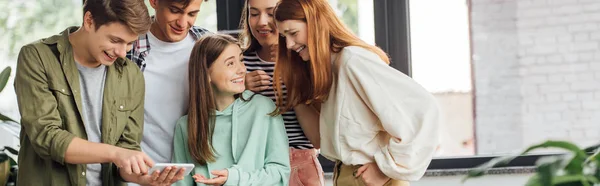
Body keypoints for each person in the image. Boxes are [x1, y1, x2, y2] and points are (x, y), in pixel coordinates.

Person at [273, 0, 441, 185]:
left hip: (369, 177)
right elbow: (320, 140)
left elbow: (425, 108)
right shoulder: (330, 71)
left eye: (293, 33)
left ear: (315, 23)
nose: (288, 44)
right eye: (283, 36)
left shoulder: (352, 60)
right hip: (346, 174)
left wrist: (385, 169)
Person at [14, 0, 180, 185]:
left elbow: (127, 148)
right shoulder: (37, 58)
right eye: (115, 40)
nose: (122, 53)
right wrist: (115, 154)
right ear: (89, 20)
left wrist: (142, 178)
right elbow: (46, 136)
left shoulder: (131, 75)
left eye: (130, 43)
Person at [172, 34, 291, 186]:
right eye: (230, 64)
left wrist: (234, 179)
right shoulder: (186, 126)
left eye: (241, 60)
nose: (242, 70)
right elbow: (181, 183)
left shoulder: (263, 109)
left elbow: (280, 174)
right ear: (207, 73)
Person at [239, 0, 324, 185]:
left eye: (271, 13)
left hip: (299, 167)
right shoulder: (237, 61)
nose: (262, 21)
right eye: (254, 13)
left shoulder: (306, 60)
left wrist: (294, 86)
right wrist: (239, 86)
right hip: (252, 166)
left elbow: (318, 139)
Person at [126, 0, 210, 170]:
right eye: (174, 11)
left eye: (192, 14)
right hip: (140, 173)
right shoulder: (126, 47)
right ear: (154, 2)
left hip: (195, 173)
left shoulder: (209, 46)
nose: (182, 23)